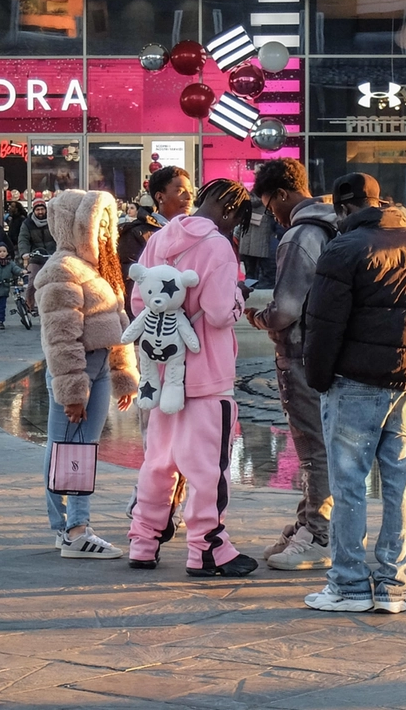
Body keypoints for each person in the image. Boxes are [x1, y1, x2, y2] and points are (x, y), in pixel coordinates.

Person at [301, 173, 406, 613]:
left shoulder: (344, 248)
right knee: (398, 482)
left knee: (348, 485)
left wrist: (319, 378)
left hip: (354, 382)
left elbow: (323, 325)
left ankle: (348, 584)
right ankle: (393, 585)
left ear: (344, 208)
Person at [126, 179, 259, 577]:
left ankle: (143, 540)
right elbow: (219, 312)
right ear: (232, 211)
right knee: (206, 471)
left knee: (157, 462)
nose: (235, 229)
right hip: (205, 376)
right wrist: (239, 296)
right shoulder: (218, 246)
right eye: (239, 221)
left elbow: (138, 302)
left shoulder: (159, 237)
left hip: (164, 375)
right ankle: (208, 549)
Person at [33, 190, 139, 558]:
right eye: (100, 222)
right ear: (76, 225)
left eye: (109, 222)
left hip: (96, 370)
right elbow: (60, 338)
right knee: (67, 449)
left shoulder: (95, 269)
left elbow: (118, 323)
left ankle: (75, 526)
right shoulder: (61, 270)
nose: (108, 230)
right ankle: (72, 529)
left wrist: (123, 374)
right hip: (76, 372)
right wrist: (72, 391)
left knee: (81, 450)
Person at [246, 158, 339, 571]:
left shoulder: (299, 236)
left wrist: (257, 317)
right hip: (330, 350)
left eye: (269, 204)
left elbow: (285, 308)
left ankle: (318, 532)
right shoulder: (336, 225)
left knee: (312, 446)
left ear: (282, 194)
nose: (270, 214)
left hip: (301, 351)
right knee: (321, 443)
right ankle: (309, 520)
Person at [118, 166, 194, 290]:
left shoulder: (196, 232)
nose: (189, 197)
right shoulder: (137, 234)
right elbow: (130, 282)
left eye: (190, 192)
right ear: (160, 197)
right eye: (181, 191)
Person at [18, 198, 57, 315]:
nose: (40, 212)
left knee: (54, 281)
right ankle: (29, 305)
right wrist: (25, 253)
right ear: (33, 211)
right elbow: (23, 239)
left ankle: (53, 304)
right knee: (33, 280)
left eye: (42, 209)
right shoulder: (27, 223)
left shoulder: (52, 221)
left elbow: (59, 236)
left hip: (51, 256)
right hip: (35, 256)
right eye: (38, 210)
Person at [237, 197, 275, 287]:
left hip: (246, 244)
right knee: (263, 273)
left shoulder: (247, 201)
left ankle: (248, 292)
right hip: (262, 245)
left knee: (250, 272)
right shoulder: (267, 203)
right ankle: (258, 294)